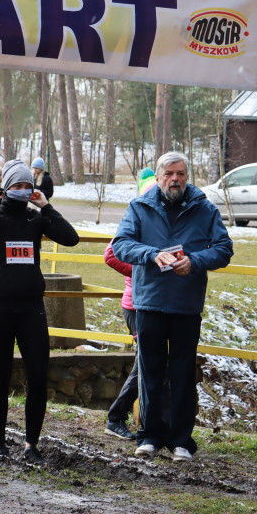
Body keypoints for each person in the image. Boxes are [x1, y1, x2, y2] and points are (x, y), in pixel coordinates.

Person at [112, 151, 233, 462]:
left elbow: (223, 249)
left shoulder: (204, 208)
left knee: (181, 373)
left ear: (187, 176)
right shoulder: (140, 206)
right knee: (150, 372)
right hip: (149, 302)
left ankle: (181, 440)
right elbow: (121, 244)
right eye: (169, 174)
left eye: (180, 173)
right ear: (159, 176)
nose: (175, 179)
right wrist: (152, 254)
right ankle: (149, 436)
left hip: (186, 305)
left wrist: (194, 262)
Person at [0, 159, 78, 464]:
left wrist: (46, 206)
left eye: (27, 185)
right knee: (2, 375)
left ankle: (31, 444)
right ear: (6, 187)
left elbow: (71, 237)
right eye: (17, 185)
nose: (23, 190)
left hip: (30, 308)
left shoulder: (34, 219)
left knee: (38, 376)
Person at [104, 168, 157, 440]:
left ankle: (145, 421)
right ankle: (116, 416)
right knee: (144, 364)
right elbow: (110, 254)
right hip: (136, 306)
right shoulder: (138, 216)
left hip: (158, 304)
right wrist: (140, 270)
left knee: (152, 363)